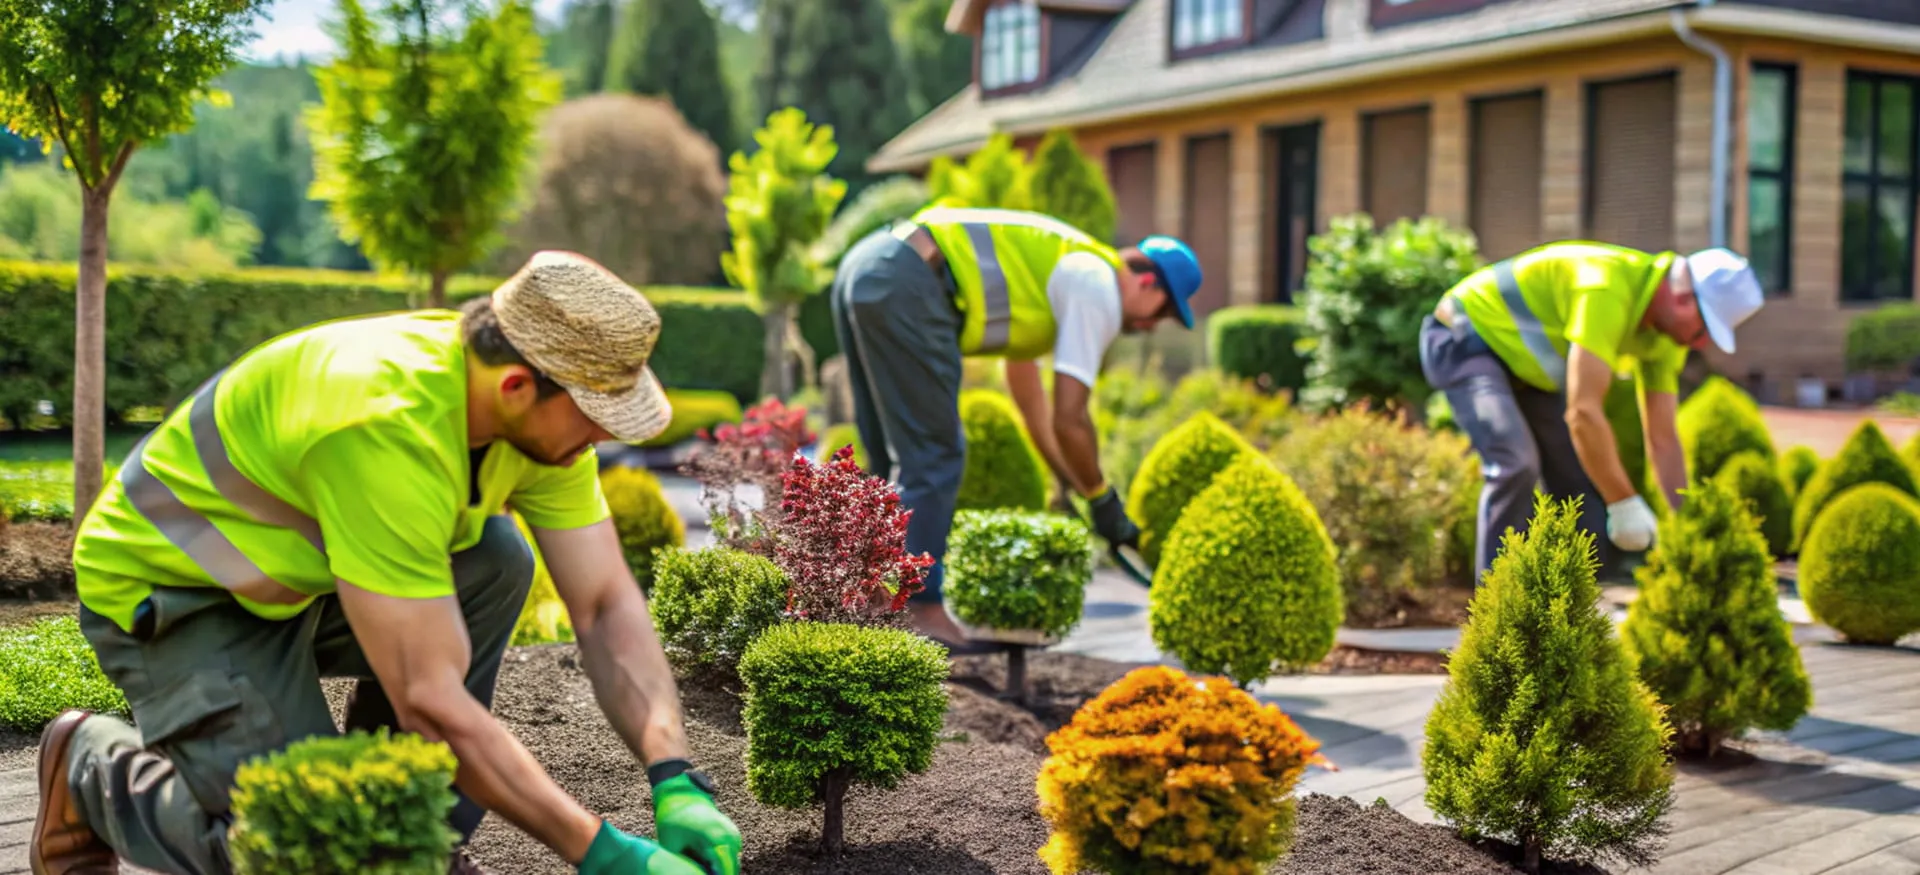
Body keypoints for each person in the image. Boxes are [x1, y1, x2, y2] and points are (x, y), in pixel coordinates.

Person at [33, 252, 743, 875]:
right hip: (184, 588)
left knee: (495, 557)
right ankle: (92, 770)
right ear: (517, 389)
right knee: (304, 844)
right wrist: (599, 849)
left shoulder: (534, 422)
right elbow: (429, 698)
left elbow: (601, 604)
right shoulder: (384, 424)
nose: (601, 437)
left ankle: (419, 841)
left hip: (301, 583)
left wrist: (673, 773)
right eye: (594, 415)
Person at [828, 205, 1203, 651]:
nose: (1150, 327)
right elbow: (1071, 417)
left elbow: (1033, 405)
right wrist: (1102, 499)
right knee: (935, 456)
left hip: (871, 264)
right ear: (1147, 282)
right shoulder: (1098, 284)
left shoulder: (1057, 275)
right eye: (1162, 313)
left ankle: (864, 602)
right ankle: (920, 608)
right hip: (910, 280)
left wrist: (1071, 482)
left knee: (891, 456)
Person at [1419, 241, 1765, 582]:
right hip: (1466, 336)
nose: (1701, 344)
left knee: (1576, 480)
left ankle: (1568, 613)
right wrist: (1624, 502)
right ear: (1683, 298)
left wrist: (1689, 524)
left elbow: (1663, 439)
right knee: (1515, 464)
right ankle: (1495, 612)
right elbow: (1583, 412)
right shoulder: (1605, 287)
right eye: (1704, 329)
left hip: (1526, 370)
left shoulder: (1667, 339)